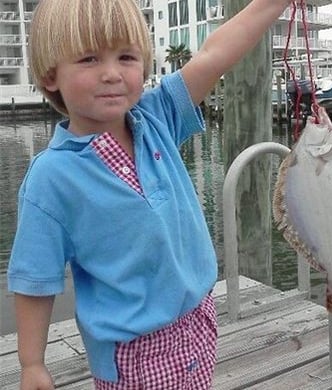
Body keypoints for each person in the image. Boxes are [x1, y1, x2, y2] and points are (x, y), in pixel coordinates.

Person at [7, 0, 293, 389]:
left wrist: (270, 4)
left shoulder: (156, 117)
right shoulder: (52, 177)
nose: (112, 74)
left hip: (198, 319)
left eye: (126, 57)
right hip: (134, 352)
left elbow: (213, 56)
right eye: (89, 59)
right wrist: (32, 364)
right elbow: (35, 280)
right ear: (50, 75)